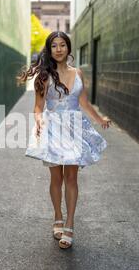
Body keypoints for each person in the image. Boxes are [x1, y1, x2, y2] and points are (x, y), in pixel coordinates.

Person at [16, 31, 112, 249]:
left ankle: (69, 224)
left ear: (68, 48)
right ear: (49, 50)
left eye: (62, 45)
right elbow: (38, 107)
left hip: (74, 129)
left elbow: (84, 103)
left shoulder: (78, 72)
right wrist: (39, 121)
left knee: (72, 178)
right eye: (54, 46)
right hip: (52, 129)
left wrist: (100, 118)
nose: (58, 49)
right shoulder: (44, 76)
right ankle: (57, 216)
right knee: (56, 178)